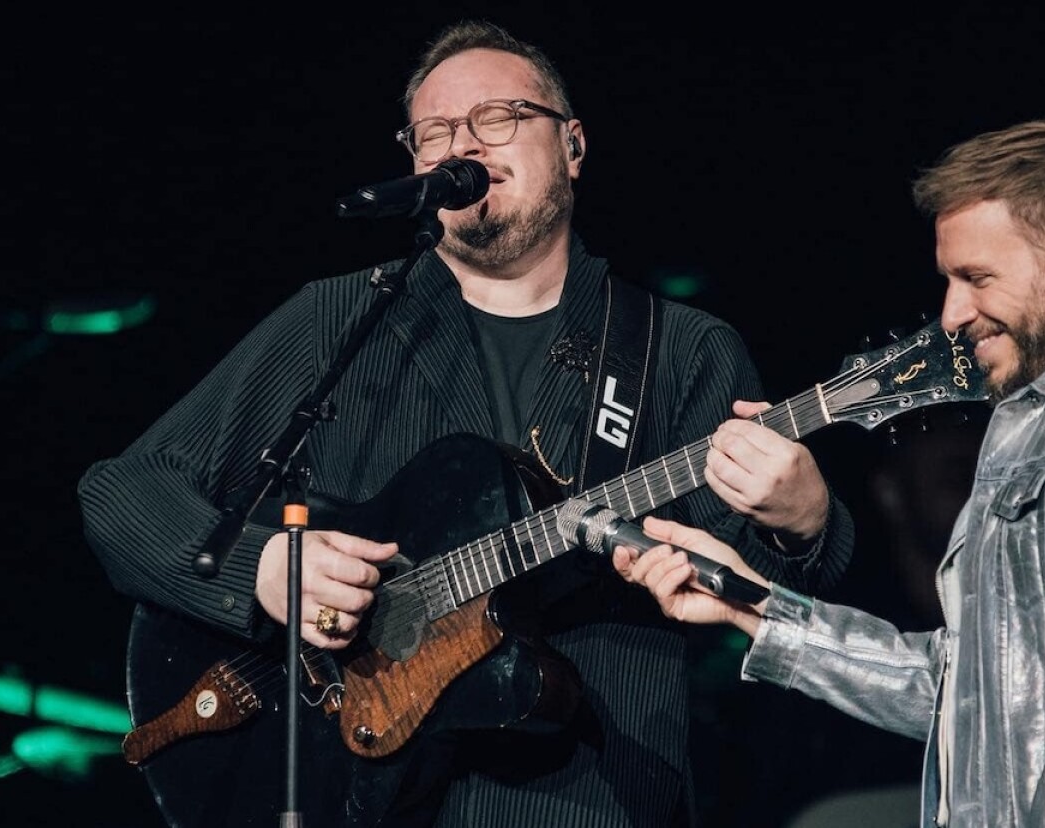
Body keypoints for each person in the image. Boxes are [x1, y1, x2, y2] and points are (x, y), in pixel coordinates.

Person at [76, 18, 854, 828]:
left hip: (596, 796)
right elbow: (121, 494)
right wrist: (264, 570)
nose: (464, 147)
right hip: (350, 795)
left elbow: (771, 608)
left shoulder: (682, 349)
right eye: (437, 132)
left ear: (574, 144)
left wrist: (802, 522)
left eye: (498, 118)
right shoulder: (337, 321)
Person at [613, 117, 1045, 826]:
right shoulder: (1031, 429)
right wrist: (747, 604)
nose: (951, 315)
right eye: (948, 281)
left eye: (976, 278)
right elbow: (965, 692)